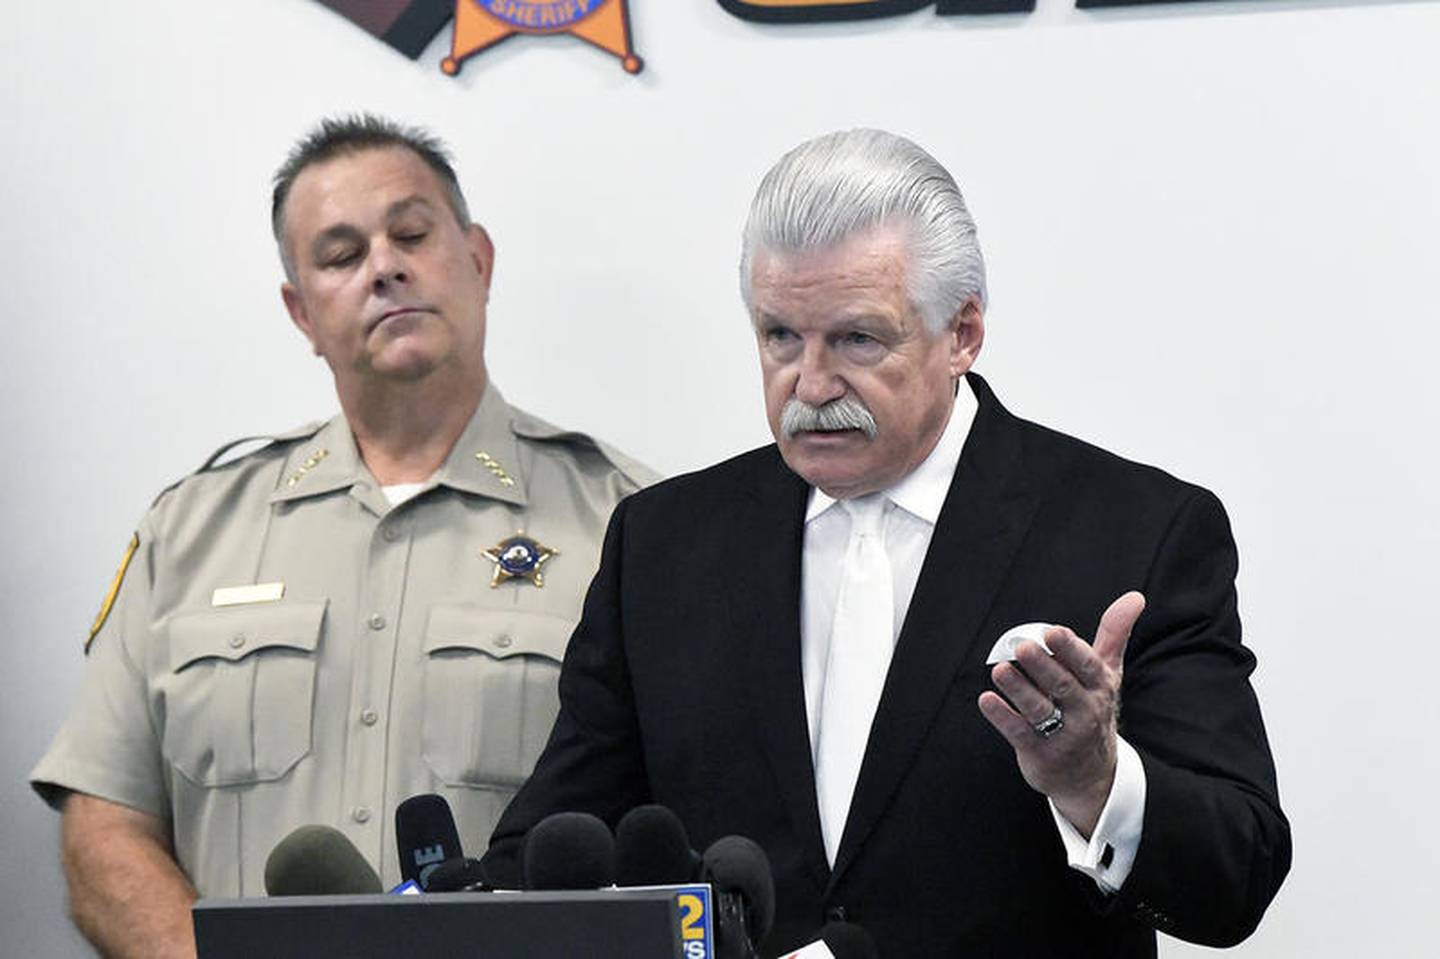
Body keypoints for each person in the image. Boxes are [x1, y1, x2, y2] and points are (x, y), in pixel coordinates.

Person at [485, 129, 1290, 956]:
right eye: (780, 337)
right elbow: (546, 851)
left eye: (858, 339)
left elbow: (1239, 873)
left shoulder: (1135, 529)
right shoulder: (663, 544)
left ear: (963, 333)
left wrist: (1096, 779)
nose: (811, 382)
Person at [30, 115, 656, 958]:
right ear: (301, 311)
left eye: (411, 233)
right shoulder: (189, 531)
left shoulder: (629, 526)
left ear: (479, 260)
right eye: (340, 254)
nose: (385, 267)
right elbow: (105, 830)